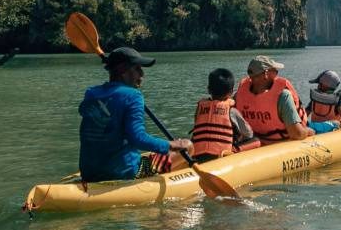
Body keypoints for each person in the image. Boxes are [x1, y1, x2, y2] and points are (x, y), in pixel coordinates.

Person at [78, 46, 191, 182]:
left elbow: (84, 111)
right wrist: (172, 145)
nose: (142, 75)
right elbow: (138, 138)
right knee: (188, 146)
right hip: (126, 172)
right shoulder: (133, 96)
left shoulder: (91, 93)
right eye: (137, 69)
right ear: (123, 71)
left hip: (89, 173)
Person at [189, 67, 259, 162]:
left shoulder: (200, 107)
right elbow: (248, 134)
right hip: (221, 156)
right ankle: (233, 151)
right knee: (256, 141)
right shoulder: (231, 110)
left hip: (198, 155)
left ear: (209, 90)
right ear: (230, 92)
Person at [234, 54, 308, 143]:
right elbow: (297, 134)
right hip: (279, 142)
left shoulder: (239, 94)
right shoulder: (283, 96)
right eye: (275, 71)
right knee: (322, 127)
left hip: (254, 142)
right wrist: (309, 131)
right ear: (266, 73)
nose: (277, 74)